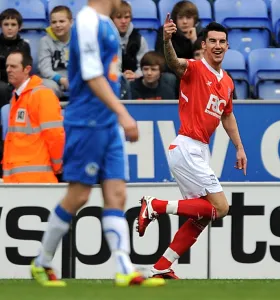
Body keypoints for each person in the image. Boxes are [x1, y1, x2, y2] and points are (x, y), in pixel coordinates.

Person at [30, 0, 165, 288]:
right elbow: (91, 75)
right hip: (87, 121)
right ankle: (41, 262)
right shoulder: (88, 21)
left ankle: (124, 268)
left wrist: (116, 116)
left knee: (117, 194)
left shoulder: (105, 23)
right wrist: (123, 113)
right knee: (78, 196)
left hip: (108, 123)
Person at [137, 19, 247, 279]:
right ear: (204, 44)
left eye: (222, 42)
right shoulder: (195, 68)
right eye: (213, 41)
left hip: (199, 150)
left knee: (202, 215)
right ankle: (155, 205)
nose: (217, 46)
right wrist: (166, 40)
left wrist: (239, 148)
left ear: (227, 46)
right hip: (187, 146)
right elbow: (175, 63)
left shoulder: (228, 82)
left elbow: (227, 116)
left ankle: (162, 266)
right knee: (220, 208)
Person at [2, 50, 64, 183]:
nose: (8, 70)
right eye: (7, 66)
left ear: (27, 69)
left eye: (13, 66)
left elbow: (54, 135)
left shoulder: (42, 95)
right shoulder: (16, 98)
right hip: (16, 179)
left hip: (37, 180)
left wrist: (58, 166)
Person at [38, 6, 72, 98]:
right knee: (46, 87)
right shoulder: (45, 41)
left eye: (61, 21)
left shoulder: (79, 40)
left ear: (71, 22)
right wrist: (61, 80)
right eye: (54, 22)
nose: (57, 25)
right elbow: (45, 69)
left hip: (74, 81)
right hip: (54, 81)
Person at [0, 8, 31, 109]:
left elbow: (26, 68)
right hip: (1, 82)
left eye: (13, 24)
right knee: (2, 88)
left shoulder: (24, 46)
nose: (9, 28)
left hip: (19, 81)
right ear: (1, 26)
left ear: (20, 27)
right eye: (6, 24)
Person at [111, 0, 148, 81]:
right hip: (113, 82)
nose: (123, 21)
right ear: (112, 19)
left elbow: (145, 65)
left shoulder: (139, 39)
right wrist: (121, 76)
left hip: (135, 81)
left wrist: (136, 75)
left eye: (127, 17)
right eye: (119, 17)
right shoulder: (107, 39)